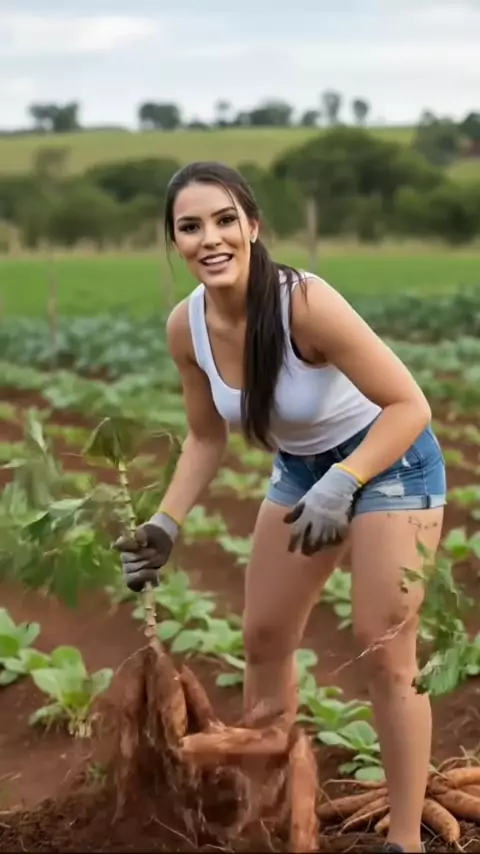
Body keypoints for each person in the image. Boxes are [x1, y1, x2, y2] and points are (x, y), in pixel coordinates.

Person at [114, 160, 446, 853]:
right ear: (174, 241)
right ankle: (267, 818)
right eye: (190, 227)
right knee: (263, 637)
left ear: (254, 227)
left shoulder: (304, 303)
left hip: (390, 460)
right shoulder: (187, 327)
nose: (210, 238)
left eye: (225, 220)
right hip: (300, 469)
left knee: (384, 645)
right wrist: (165, 523)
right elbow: (206, 437)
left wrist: (345, 481)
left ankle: (406, 839)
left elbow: (409, 405)